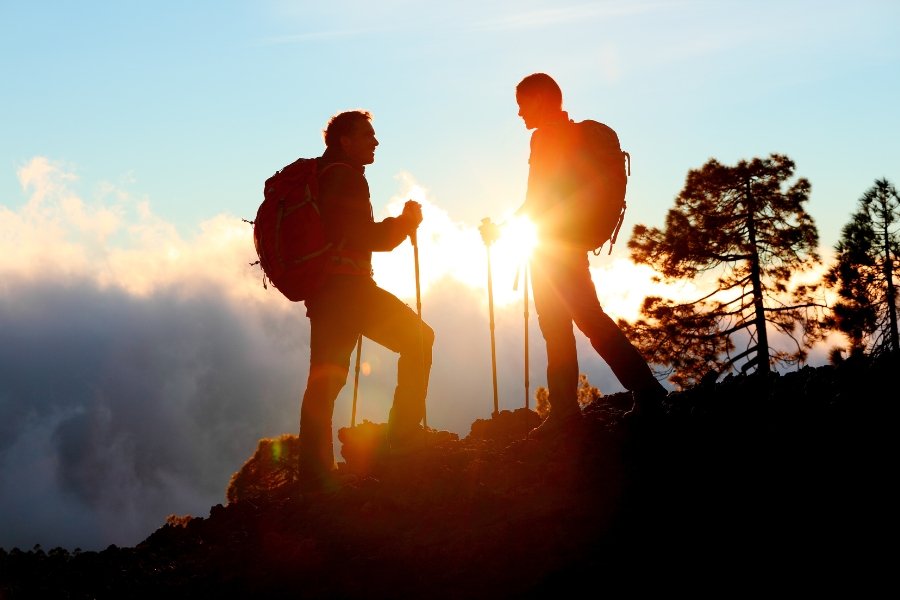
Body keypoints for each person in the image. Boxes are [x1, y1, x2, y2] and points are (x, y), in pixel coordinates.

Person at [511, 73, 667, 439]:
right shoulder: (573, 136)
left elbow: (538, 199)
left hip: (552, 248)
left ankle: (574, 408)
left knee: (561, 325)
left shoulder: (545, 138)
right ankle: (640, 391)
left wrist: (504, 228)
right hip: (570, 243)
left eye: (522, 104)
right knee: (586, 319)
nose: (519, 113)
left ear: (539, 100)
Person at [299, 109, 434, 488]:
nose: (375, 142)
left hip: (325, 295)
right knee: (420, 340)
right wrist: (405, 224)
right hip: (350, 292)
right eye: (367, 135)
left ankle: (314, 475)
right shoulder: (345, 178)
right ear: (345, 141)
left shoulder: (325, 175)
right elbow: (364, 237)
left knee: (324, 383)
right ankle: (403, 441)